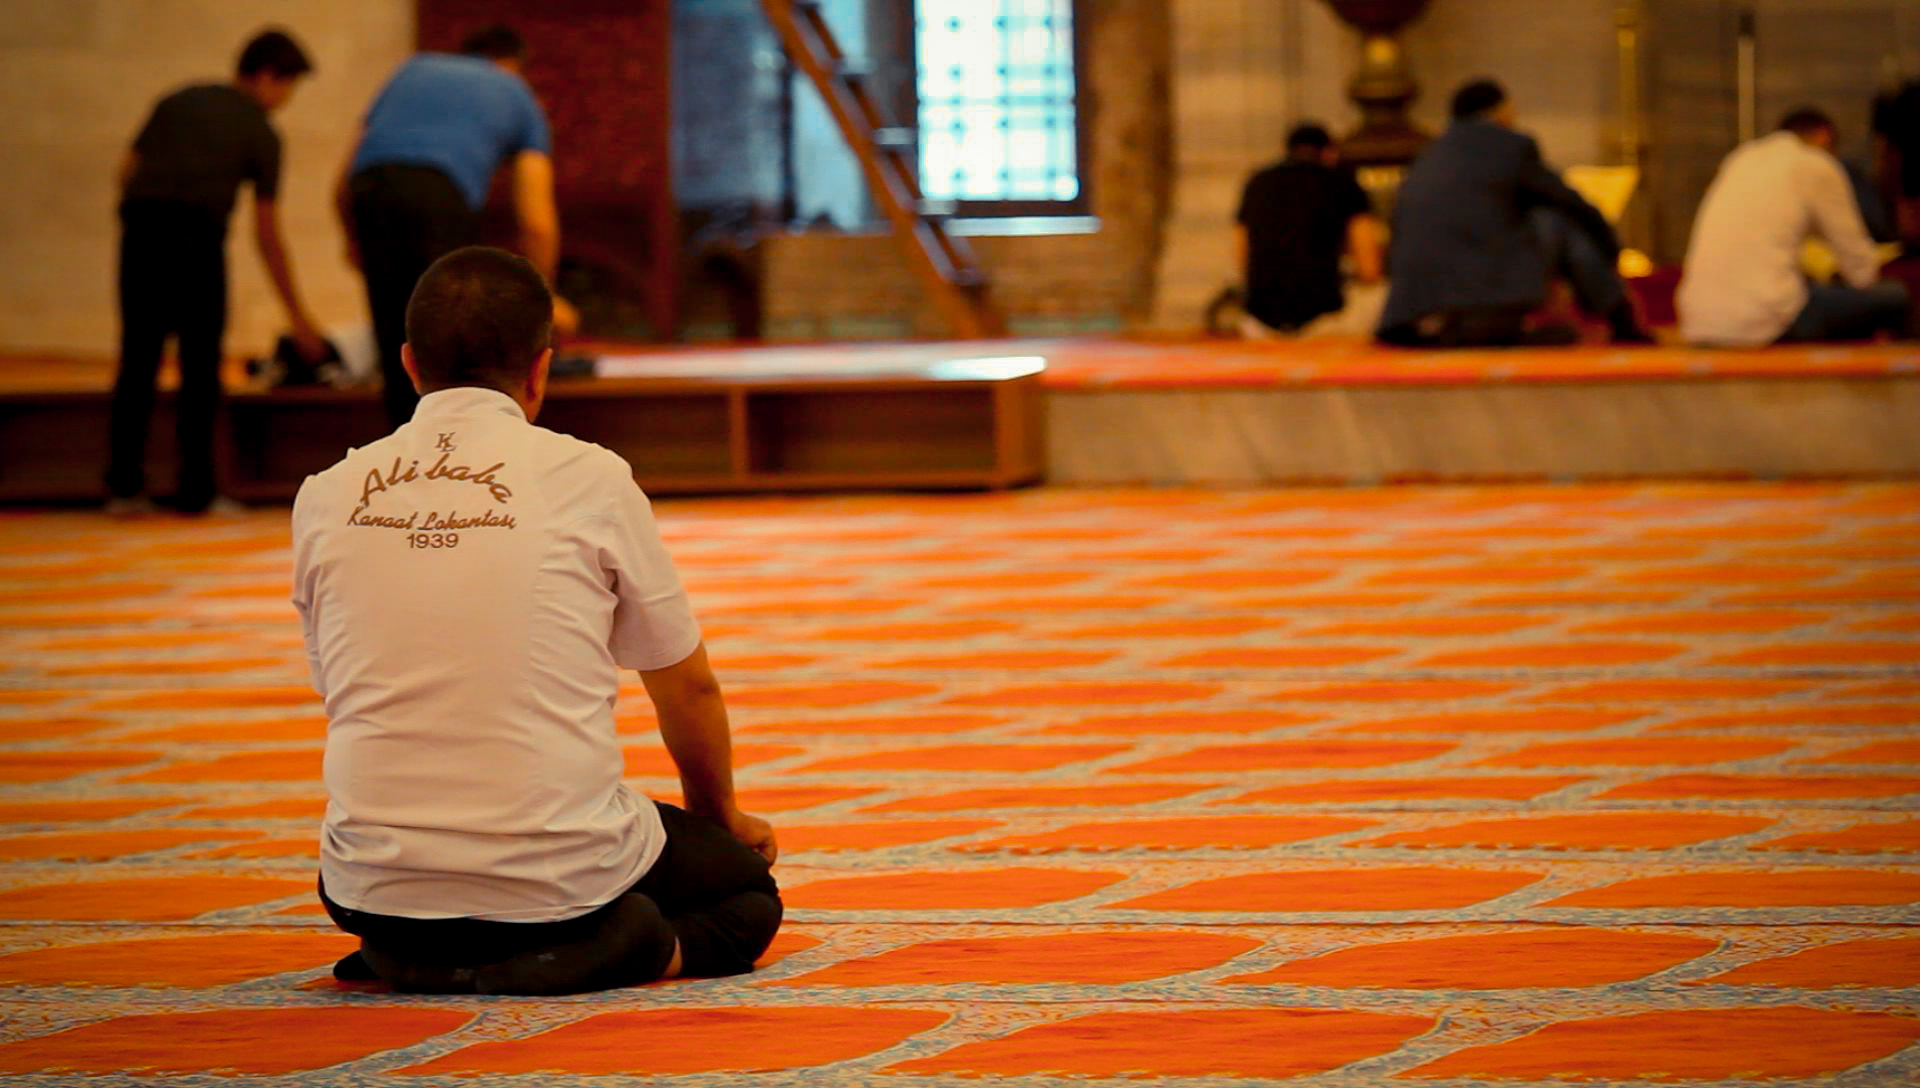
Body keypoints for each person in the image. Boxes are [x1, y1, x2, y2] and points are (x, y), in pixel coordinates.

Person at [293, 247, 778, 995]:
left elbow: (338, 685)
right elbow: (688, 688)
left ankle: (413, 957)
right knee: (746, 896)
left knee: (403, 896)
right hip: (559, 872)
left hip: (368, 883)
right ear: (541, 370)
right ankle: (604, 951)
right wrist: (720, 825)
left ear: (409, 364)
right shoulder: (591, 479)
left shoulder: (325, 494)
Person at [106, 29, 325, 516]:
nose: (286, 99)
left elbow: (127, 170)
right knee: (201, 366)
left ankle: (123, 488)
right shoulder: (261, 132)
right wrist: (298, 315)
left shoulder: (178, 100)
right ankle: (197, 492)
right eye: (288, 86)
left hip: (140, 236)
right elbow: (266, 231)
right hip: (197, 244)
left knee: (138, 359)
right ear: (267, 76)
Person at [337, 25, 579, 430]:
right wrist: (545, 302)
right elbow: (536, 221)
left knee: (397, 342)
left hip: (370, 193)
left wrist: (353, 240)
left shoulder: (412, 70)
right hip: (439, 198)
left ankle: (406, 453)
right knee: (457, 338)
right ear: (512, 64)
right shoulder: (516, 92)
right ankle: (467, 449)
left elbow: (342, 182)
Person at [1377, 79, 1652, 348]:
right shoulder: (1509, 146)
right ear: (1499, 111)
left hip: (1411, 316)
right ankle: (1620, 317)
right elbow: (1570, 203)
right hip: (1481, 298)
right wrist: (1611, 249)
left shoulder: (1428, 154)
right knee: (1556, 220)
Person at [1678, 109, 1910, 347]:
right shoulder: (1816, 163)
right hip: (1764, 323)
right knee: (1896, 295)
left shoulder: (1740, 159)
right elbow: (1862, 272)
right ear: (1824, 136)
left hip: (1697, 322)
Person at [1236, 123, 1384, 336]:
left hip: (1260, 318)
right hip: (1323, 317)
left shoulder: (1257, 183)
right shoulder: (1342, 182)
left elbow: (1242, 253)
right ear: (1329, 153)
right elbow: (1369, 266)